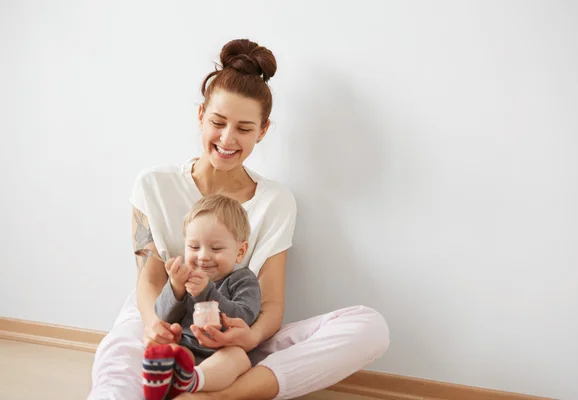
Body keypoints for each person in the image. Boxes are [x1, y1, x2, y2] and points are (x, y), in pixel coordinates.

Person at [88, 38, 389, 400]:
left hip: (234, 340)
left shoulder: (276, 201)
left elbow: (271, 303)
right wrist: (155, 327)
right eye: (218, 122)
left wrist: (249, 337)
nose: (227, 139)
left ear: (262, 131)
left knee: (371, 327)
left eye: (244, 129)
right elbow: (149, 280)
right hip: (161, 321)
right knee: (120, 355)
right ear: (201, 116)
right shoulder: (154, 184)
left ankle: (215, 395)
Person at [143, 194, 261, 399]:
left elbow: (244, 316)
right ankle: (165, 382)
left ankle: (191, 380)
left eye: (216, 248)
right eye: (194, 247)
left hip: (223, 352)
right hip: (186, 348)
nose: (203, 256)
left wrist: (206, 292)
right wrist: (175, 287)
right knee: (167, 350)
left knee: (239, 358)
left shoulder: (243, 279)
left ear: (240, 251)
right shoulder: (184, 278)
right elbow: (161, 316)